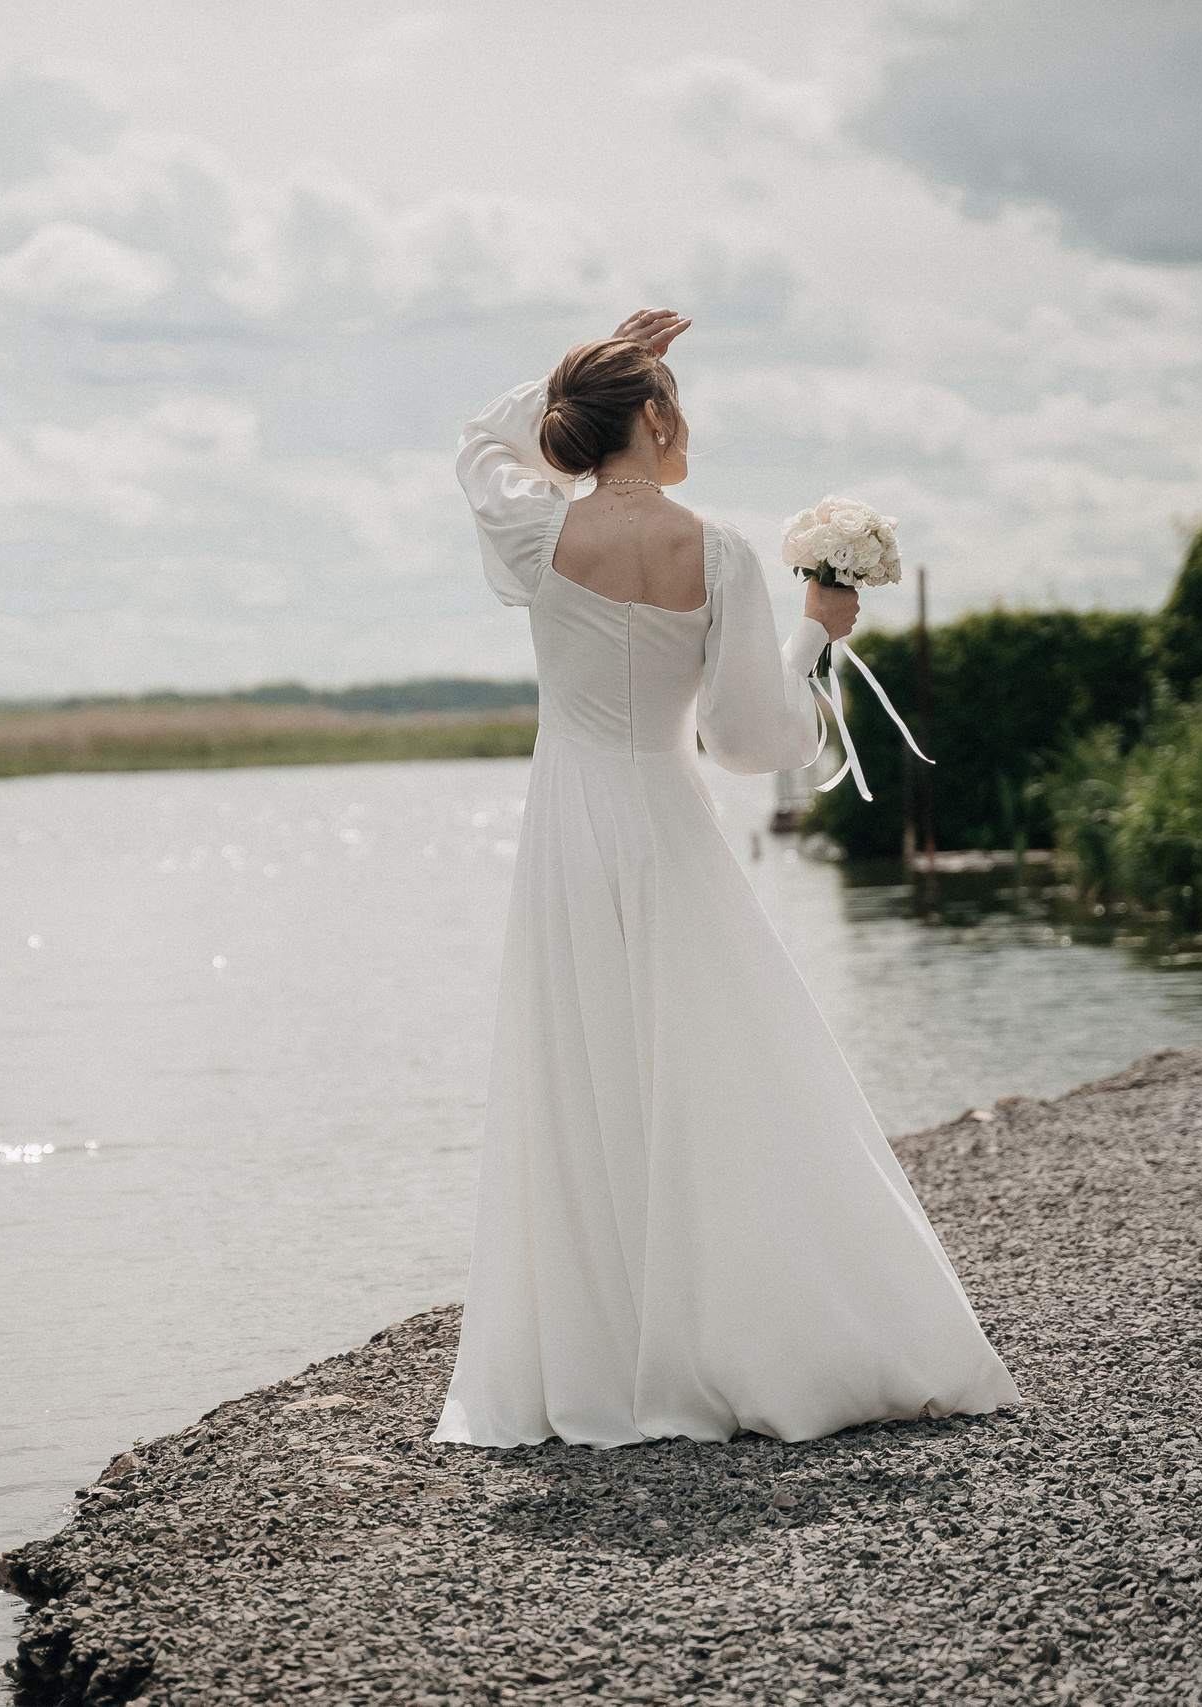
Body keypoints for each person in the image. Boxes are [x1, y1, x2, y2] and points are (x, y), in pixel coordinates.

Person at [432, 309, 1022, 1448]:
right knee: (710, 1068)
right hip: (668, 824)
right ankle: (750, 1331)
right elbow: (753, 743)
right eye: (674, 399)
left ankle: (603, 1349)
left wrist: (573, 364)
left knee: (588, 1068)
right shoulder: (721, 552)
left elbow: (478, 443)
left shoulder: (535, 534)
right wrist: (814, 635)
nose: (685, 416)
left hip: (568, 829)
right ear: (654, 416)